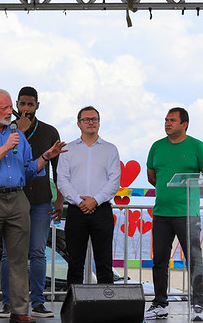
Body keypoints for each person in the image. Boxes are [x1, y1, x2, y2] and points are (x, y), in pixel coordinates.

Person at [0, 88, 66, 323]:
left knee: (20, 257)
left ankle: (20, 311)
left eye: (10, 108)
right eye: (4, 107)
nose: (10, 112)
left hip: (18, 198)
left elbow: (29, 169)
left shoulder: (18, 137)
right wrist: (3, 148)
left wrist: (46, 157)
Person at [144, 107, 203, 322]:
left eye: (172, 120)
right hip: (161, 213)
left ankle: (198, 305)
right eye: (166, 120)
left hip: (187, 214)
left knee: (194, 260)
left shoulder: (197, 147)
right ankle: (160, 303)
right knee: (159, 260)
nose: (167, 123)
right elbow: (151, 176)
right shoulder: (156, 147)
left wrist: (192, 192)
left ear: (184, 124)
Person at [0, 87, 63, 319]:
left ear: (37, 105)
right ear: (16, 104)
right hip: (12, 199)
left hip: (41, 201)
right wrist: (20, 133)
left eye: (30, 104)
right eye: (22, 104)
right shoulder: (6, 130)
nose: (26, 109)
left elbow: (58, 169)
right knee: (9, 254)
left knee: (37, 252)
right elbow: (5, 159)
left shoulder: (49, 131)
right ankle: (8, 303)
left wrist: (60, 199)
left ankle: (37, 302)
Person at [56, 106, 120, 285]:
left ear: (99, 122)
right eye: (87, 119)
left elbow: (114, 181)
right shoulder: (68, 149)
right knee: (75, 264)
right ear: (79, 124)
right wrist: (79, 201)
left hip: (102, 210)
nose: (91, 122)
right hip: (76, 211)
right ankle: (73, 309)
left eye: (95, 119)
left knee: (104, 263)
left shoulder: (110, 149)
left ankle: (106, 308)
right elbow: (62, 180)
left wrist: (95, 200)